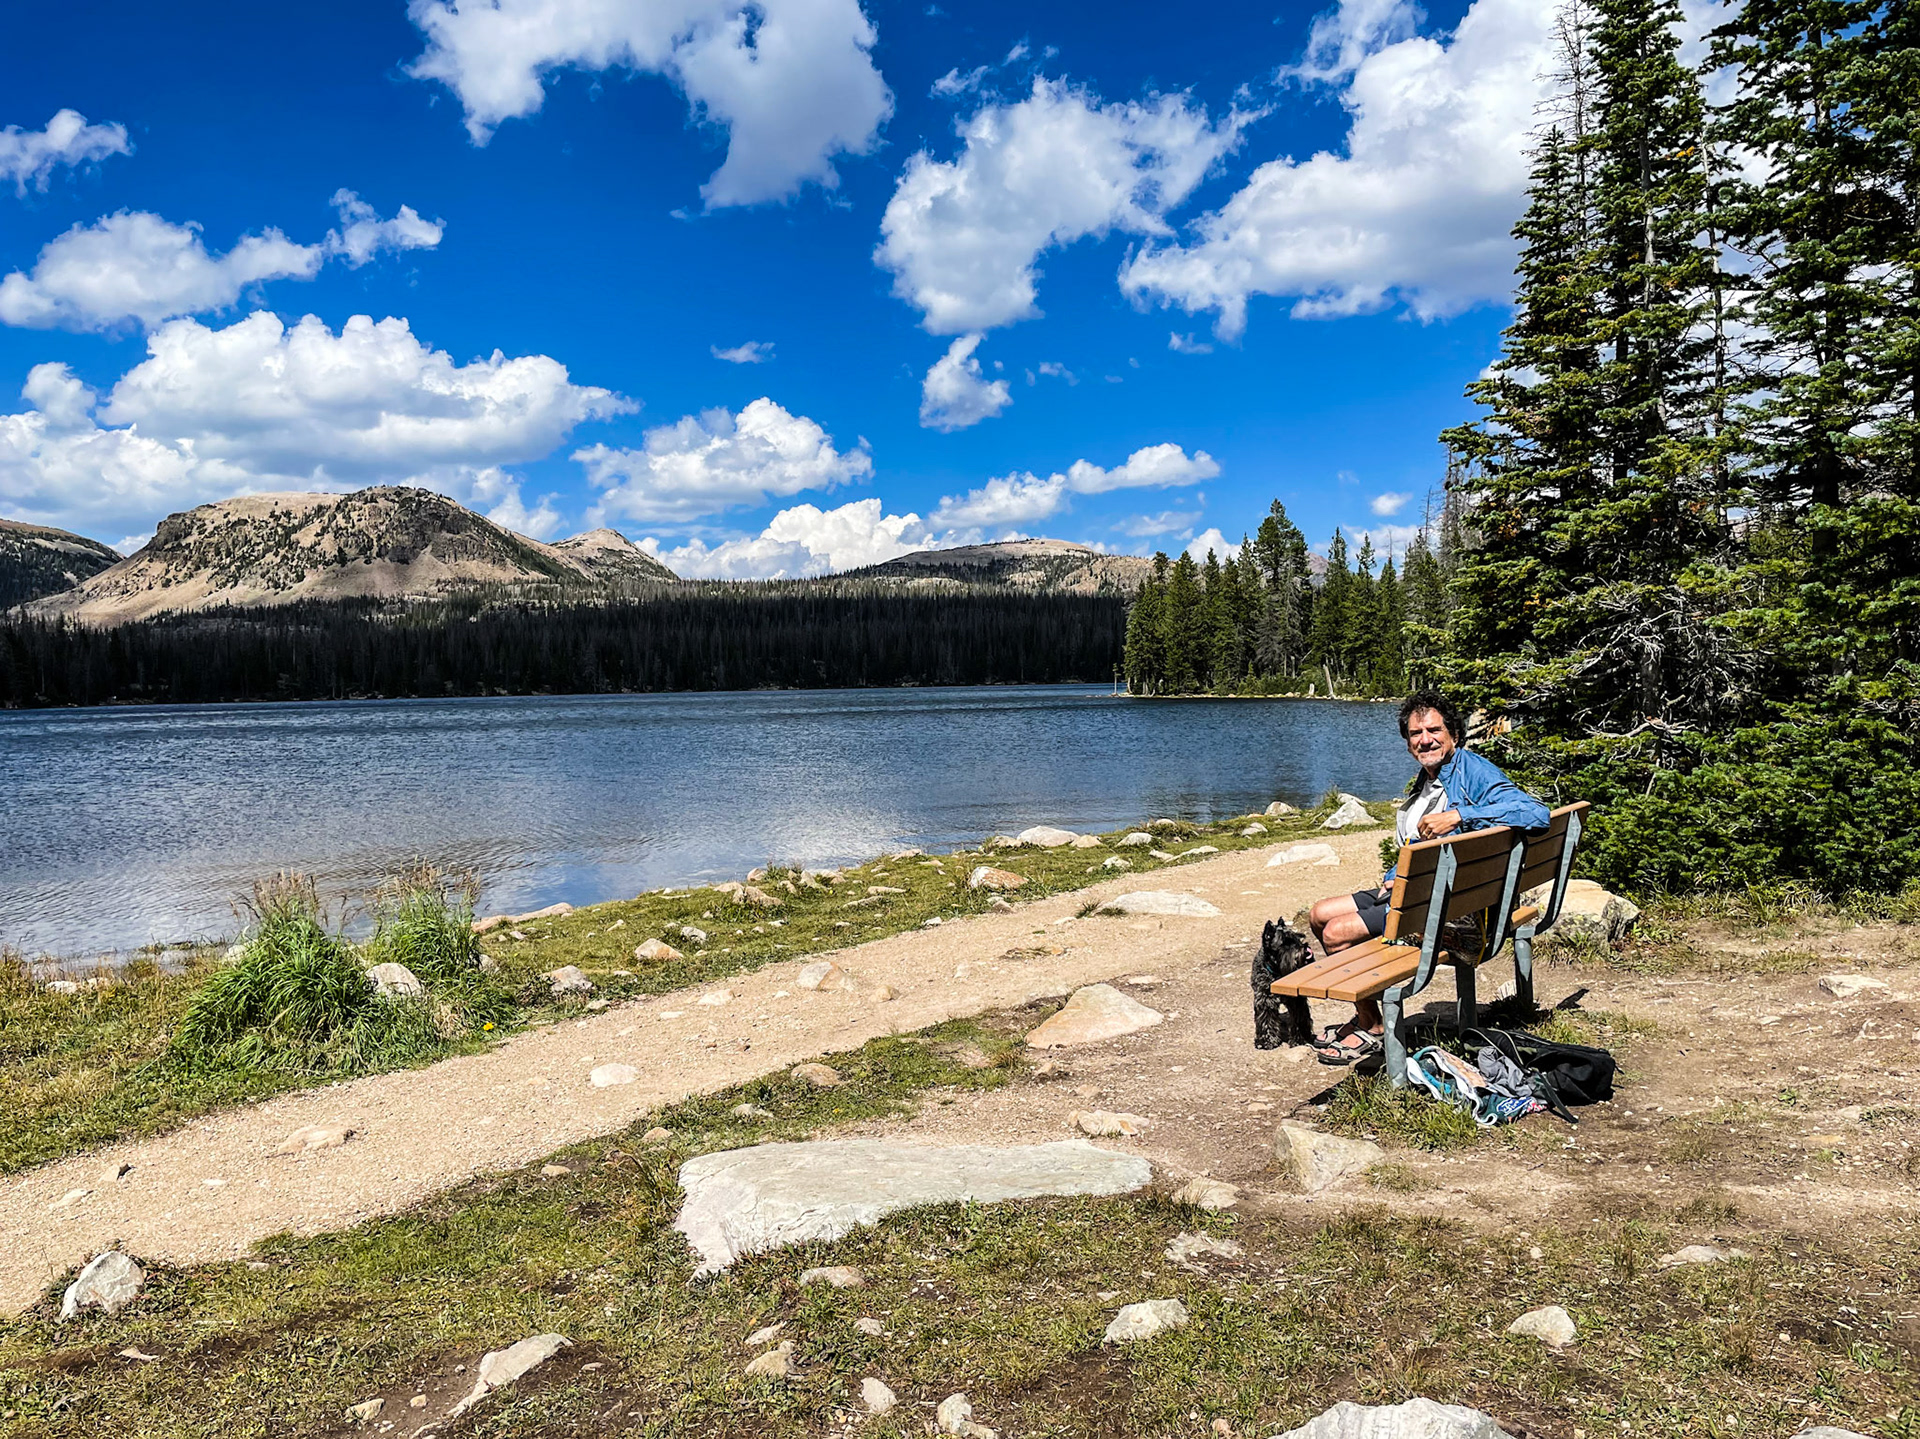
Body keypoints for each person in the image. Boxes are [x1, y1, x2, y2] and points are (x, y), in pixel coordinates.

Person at [1308, 690, 1549, 1066]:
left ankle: (1371, 1027)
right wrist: (1395, 875)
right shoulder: (1429, 777)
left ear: (1453, 732)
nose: (1425, 739)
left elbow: (1535, 812)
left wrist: (1459, 815)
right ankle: (1368, 1016)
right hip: (1424, 890)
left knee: (1336, 933)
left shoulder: (1471, 770)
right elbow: (1424, 844)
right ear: (1407, 743)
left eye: (1434, 730)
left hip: (1452, 911)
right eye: (1415, 733)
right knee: (1319, 912)